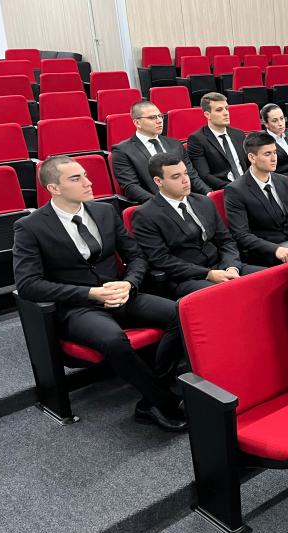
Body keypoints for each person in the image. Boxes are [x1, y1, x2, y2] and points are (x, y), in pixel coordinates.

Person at [12, 155, 186, 431]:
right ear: (54, 188)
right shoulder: (30, 227)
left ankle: (154, 391)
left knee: (182, 313)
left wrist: (129, 283)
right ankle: (162, 401)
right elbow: (29, 284)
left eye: (85, 175)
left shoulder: (104, 211)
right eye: (76, 178)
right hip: (79, 306)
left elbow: (137, 256)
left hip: (120, 293)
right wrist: (91, 293)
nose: (88, 182)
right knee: (114, 340)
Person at [131, 153, 264, 297]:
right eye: (176, 177)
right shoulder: (145, 215)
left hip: (222, 266)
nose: (185, 180)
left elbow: (226, 241)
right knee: (227, 295)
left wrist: (232, 267)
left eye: (186, 174)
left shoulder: (204, 201)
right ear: (158, 181)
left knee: (268, 279)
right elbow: (161, 260)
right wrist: (208, 274)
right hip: (186, 278)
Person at [224, 132, 288, 265]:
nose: (274, 158)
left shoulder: (284, 181)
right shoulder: (235, 191)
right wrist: (275, 249)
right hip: (267, 250)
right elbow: (241, 235)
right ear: (252, 157)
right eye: (267, 154)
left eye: (275, 152)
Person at [111, 100, 211, 203]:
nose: (159, 121)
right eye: (152, 117)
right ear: (137, 123)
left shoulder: (175, 144)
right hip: (155, 205)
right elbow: (131, 187)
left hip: (187, 200)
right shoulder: (122, 151)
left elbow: (191, 175)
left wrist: (208, 193)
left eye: (160, 116)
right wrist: (162, 204)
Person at [186, 92, 248, 190]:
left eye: (226, 108)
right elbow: (205, 175)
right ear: (207, 114)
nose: (226, 113)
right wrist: (234, 188)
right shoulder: (197, 139)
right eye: (219, 110)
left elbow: (249, 164)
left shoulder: (239, 134)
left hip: (247, 184)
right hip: (224, 189)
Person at [260, 103, 288, 175]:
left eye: (282, 118)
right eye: (275, 121)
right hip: (278, 180)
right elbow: (266, 171)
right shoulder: (263, 141)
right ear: (266, 124)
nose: (280, 123)